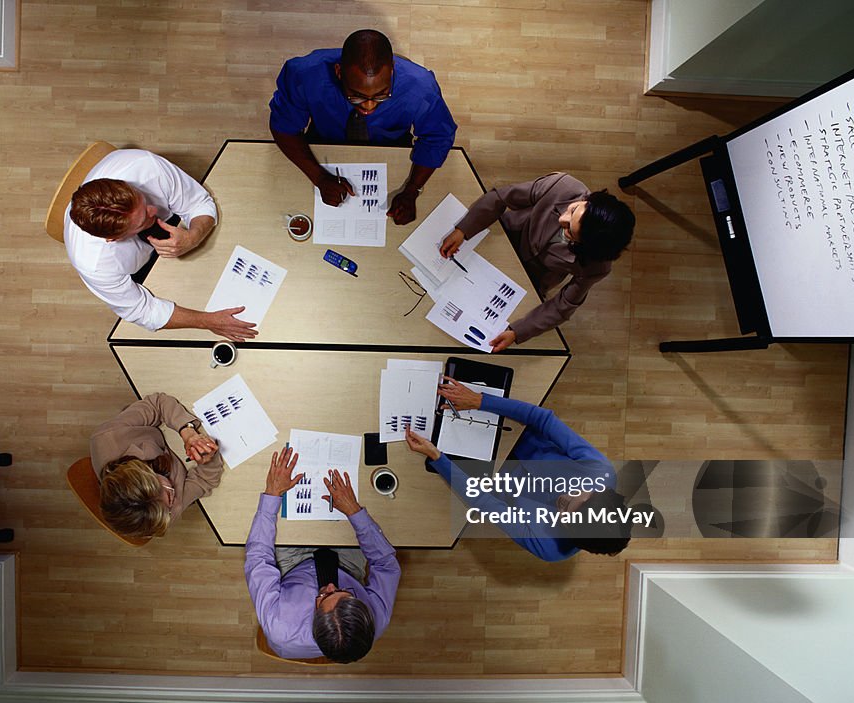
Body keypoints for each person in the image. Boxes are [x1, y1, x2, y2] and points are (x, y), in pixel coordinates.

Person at [404, 378, 631, 561]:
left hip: (486, 472)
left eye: (567, 512)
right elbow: (542, 419)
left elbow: (485, 503)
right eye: (581, 495)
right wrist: (480, 401)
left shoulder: (549, 549)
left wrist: (437, 457)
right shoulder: (600, 473)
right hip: (512, 429)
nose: (565, 498)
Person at [269, 29, 457, 225]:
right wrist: (319, 177)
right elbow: (283, 127)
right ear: (339, 72)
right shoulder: (303, 75)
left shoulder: (421, 87)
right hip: (324, 146)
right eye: (356, 96)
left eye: (381, 95)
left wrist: (412, 189)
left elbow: (437, 137)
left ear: (392, 70)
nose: (369, 107)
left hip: (391, 150)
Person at [66, 148, 257, 340]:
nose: (154, 209)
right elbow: (143, 310)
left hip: (179, 230)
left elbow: (198, 203)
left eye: (142, 199)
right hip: (135, 270)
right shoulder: (94, 265)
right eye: (143, 219)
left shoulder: (145, 167)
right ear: (114, 239)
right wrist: (207, 321)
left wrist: (193, 236)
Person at [439, 172, 635, 349]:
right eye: (573, 210)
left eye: (570, 232)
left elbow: (562, 307)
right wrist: (464, 229)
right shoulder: (563, 186)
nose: (562, 220)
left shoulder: (597, 265)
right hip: (502, 237)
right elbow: (501, 197)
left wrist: (518, 332)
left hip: (527, 279)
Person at [245, 447, 401, 662]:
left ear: (313, 617)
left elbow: (258, 558)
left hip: (291, 567)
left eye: (325, 596)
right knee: (367, 502)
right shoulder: (375, 620)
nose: (330, 585)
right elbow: (385, 564)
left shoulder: (280, 625)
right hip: (346, 566)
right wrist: (354, 512)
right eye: (344, 592)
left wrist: (272, 494)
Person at [90, 392, 222, 539]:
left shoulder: (112, 435)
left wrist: (187, 431)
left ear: (143, 471)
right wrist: (208, 459)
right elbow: (204, 481)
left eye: (163, 488)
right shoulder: (161, 513)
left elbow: (157, 404)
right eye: (169, 503)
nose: (173, 491)